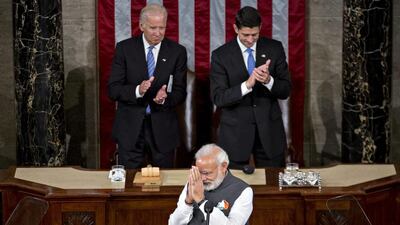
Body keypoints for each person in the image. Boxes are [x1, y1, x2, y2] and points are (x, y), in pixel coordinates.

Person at [210, 6, 291, 169]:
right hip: (235, 136)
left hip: (269, 133)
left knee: (274, 189)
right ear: (235, 29)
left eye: (254, 34)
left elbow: (285, 90)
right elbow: (219, 98)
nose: (250, 39)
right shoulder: (221, 55)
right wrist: (247, 85)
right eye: (245, 35)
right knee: (234, 190)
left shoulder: (274, 49)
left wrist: (268, 80)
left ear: (260, 28)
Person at [108, 3, 187, 169]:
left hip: (163, 128)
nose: (158, 33)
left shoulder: (177, 52)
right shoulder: (124, 49)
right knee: (129, 184)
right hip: (130, 128)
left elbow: (180, 92)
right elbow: (113, 89)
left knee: (164, 185)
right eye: (153, 28)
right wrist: (138, 90)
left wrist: (165, 99)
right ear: (141, 25)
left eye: (162, 28)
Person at [168, 143, 253, 225]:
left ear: (223, 166)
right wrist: (188, 202)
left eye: (206, 173)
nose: (202, 178)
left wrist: (201, 201)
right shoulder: (194, 182)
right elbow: (173, 223)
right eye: (199, 172)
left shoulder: (244, 191)